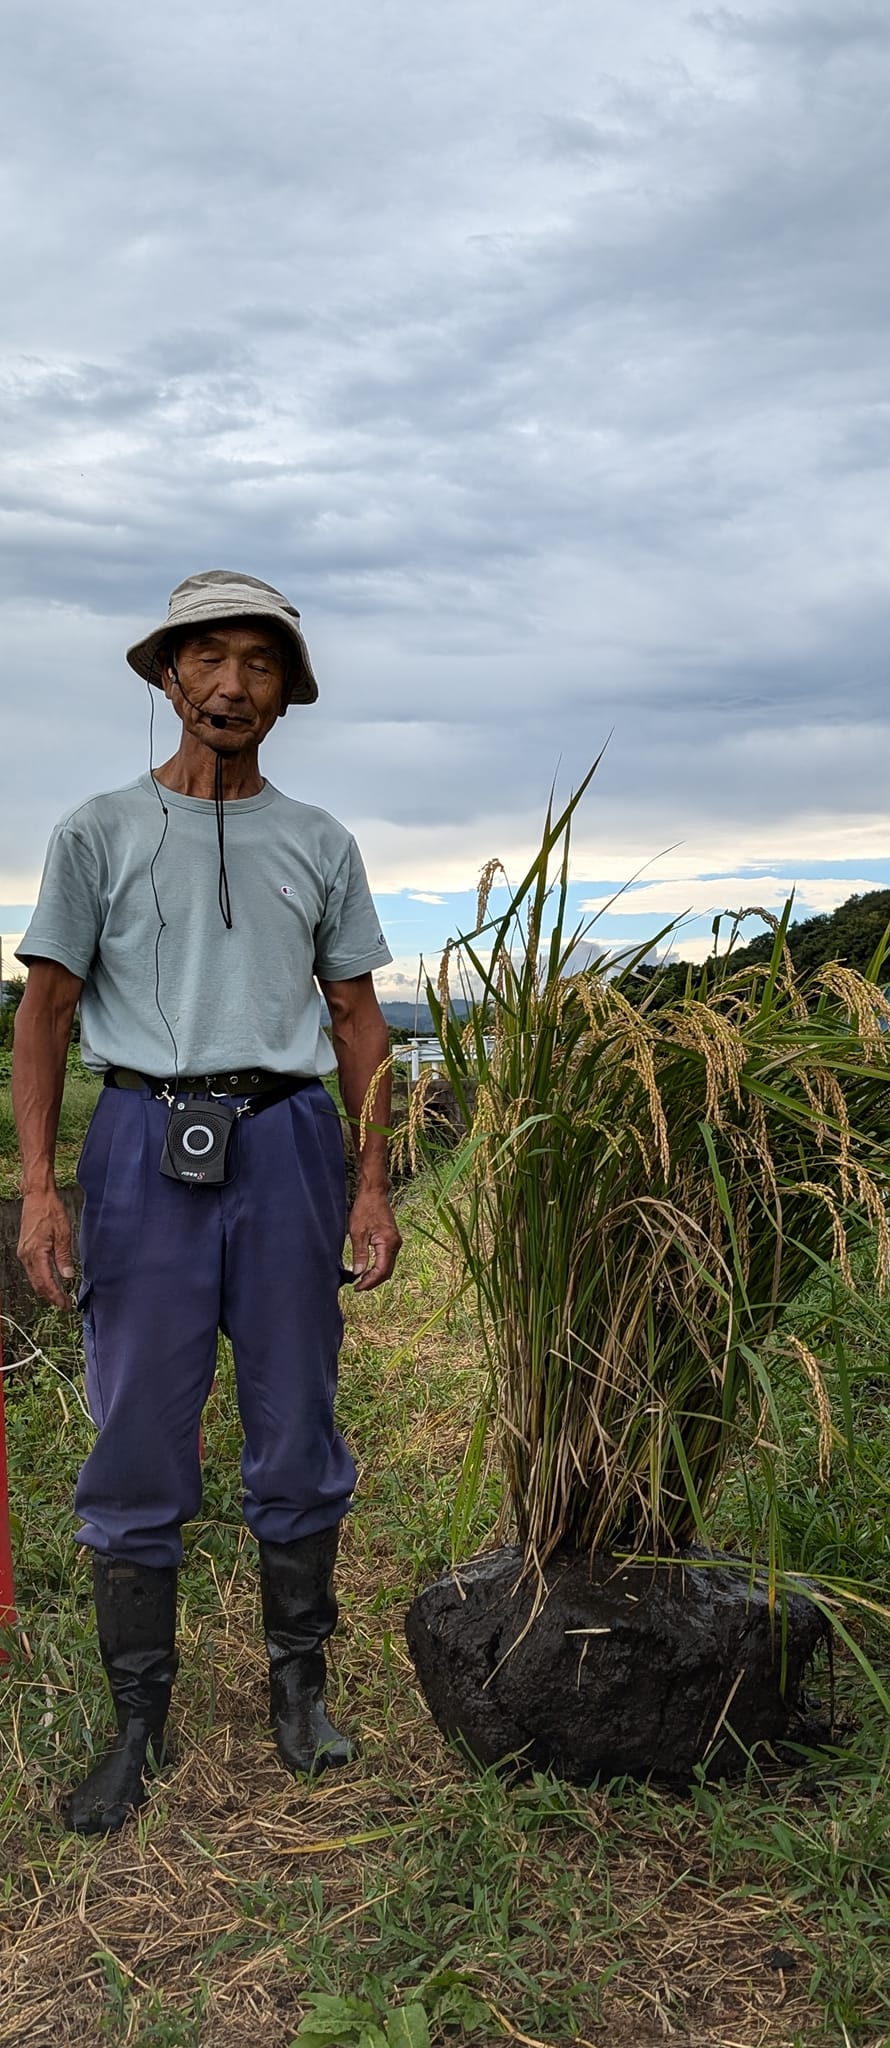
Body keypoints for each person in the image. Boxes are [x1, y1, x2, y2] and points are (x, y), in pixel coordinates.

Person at [12, 569, 402, 1834]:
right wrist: (39, 1189)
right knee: (136, 1429)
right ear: (167, 677)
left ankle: (301, 1692)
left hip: (287, 1144)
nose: (233, 684)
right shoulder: (95, 833)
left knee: (298, 1419)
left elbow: (356, 1018)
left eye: (261, 664)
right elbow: (48, 1015)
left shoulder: (319, 842)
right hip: (137, 1143)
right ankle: (139, 1721)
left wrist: (372, 1179)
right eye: (210, 660)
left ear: (287, 695)